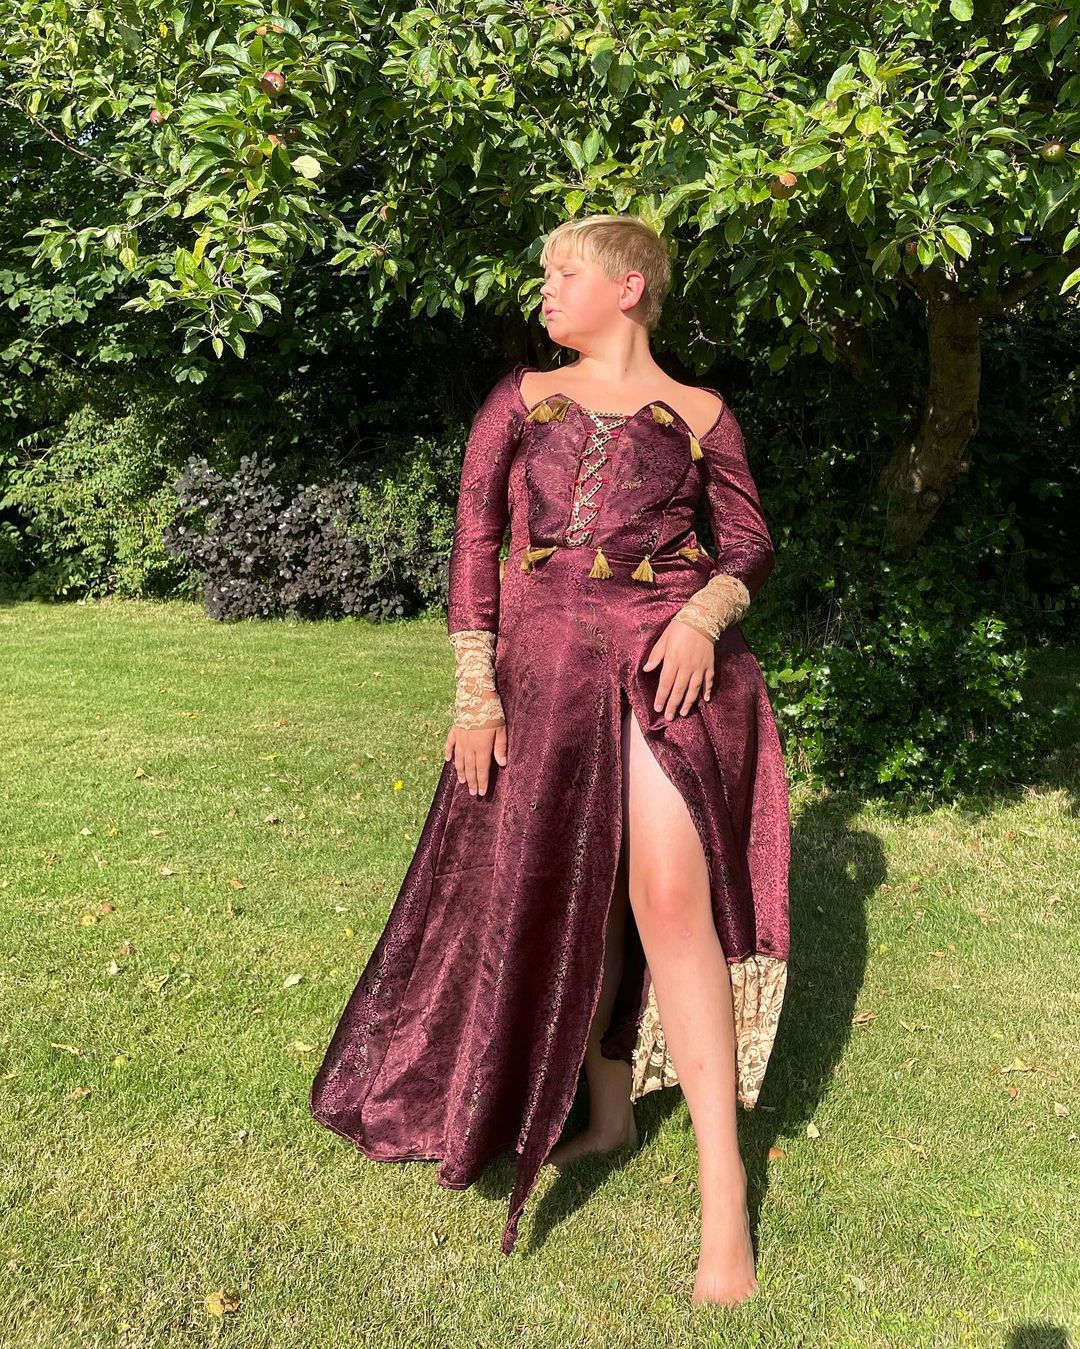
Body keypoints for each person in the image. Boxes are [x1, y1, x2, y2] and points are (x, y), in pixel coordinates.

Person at [310, 212, 790, 1308]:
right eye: (544, 272)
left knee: (666, 896)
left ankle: (724, 1194)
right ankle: (610, 1114)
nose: (544, 288)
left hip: (665, 663)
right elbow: (474, 540)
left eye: (563, 271)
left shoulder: (703, 413)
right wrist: (474, 690)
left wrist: (705, 616)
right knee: (572, 884)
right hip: (540, 671)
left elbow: (751, 542)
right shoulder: (519, 398)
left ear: (629, 287)